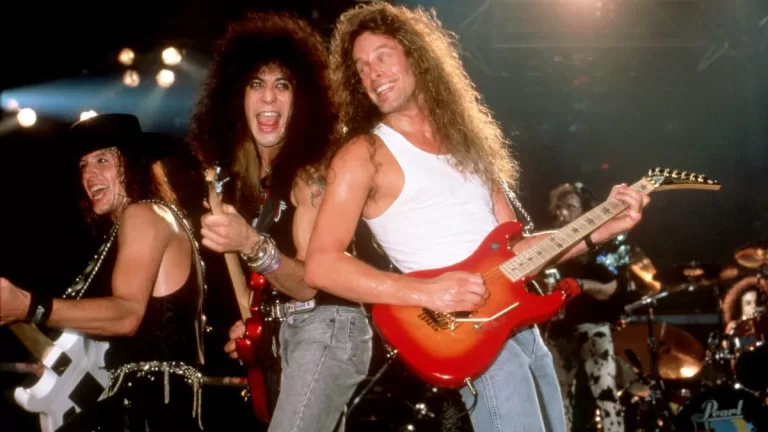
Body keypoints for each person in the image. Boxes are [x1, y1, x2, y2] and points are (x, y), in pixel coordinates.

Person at [304, 3, 650, 432]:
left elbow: (516, 251)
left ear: (415, 56)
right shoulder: (363, 155)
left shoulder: (469, 146)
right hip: (465, 331)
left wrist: (600, 228)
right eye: (361, 68)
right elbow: (321, 264)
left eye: (382, 57)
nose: (373, 74)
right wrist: (425, 291)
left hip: (520, 328)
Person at [188, 12, 372, 432]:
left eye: (282, 85)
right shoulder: (248, 185)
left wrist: (250, 243)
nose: (268, 97)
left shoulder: (311, 176)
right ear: (236, 97)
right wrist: (255, 326)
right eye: (256, 84)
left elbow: (310, 282)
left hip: (328, 326)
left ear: (303, 99)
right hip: (291, 332)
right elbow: (265, 291)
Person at [0, 113, 207, 431]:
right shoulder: (156, 218)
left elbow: (127, 315)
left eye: (103, 160)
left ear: (133, 164)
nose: (89, 174)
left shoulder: (143, 214)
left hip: (148, 406)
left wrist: (31, 306)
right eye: (83, 164)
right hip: (159, 403)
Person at [543, 182, 644, 432]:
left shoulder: (604, 243)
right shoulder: (549, 244)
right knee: (558, 399)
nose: (562, 213)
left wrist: (581, 284)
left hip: (594, 327)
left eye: (570, 206)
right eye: (559, 207)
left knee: (606, 395)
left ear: (586, 210)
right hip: (559, 330)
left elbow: (613, 289)